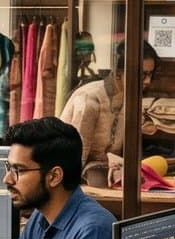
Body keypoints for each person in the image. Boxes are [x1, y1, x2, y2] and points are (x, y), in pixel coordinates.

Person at [59, 39, 163, 186]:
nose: (147, 82)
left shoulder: (131, 100)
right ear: (118, 72)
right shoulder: (90, 99)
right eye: (142, 75)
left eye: (150, 75)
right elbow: (75, 157)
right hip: (78, 178)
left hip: (107, 174)